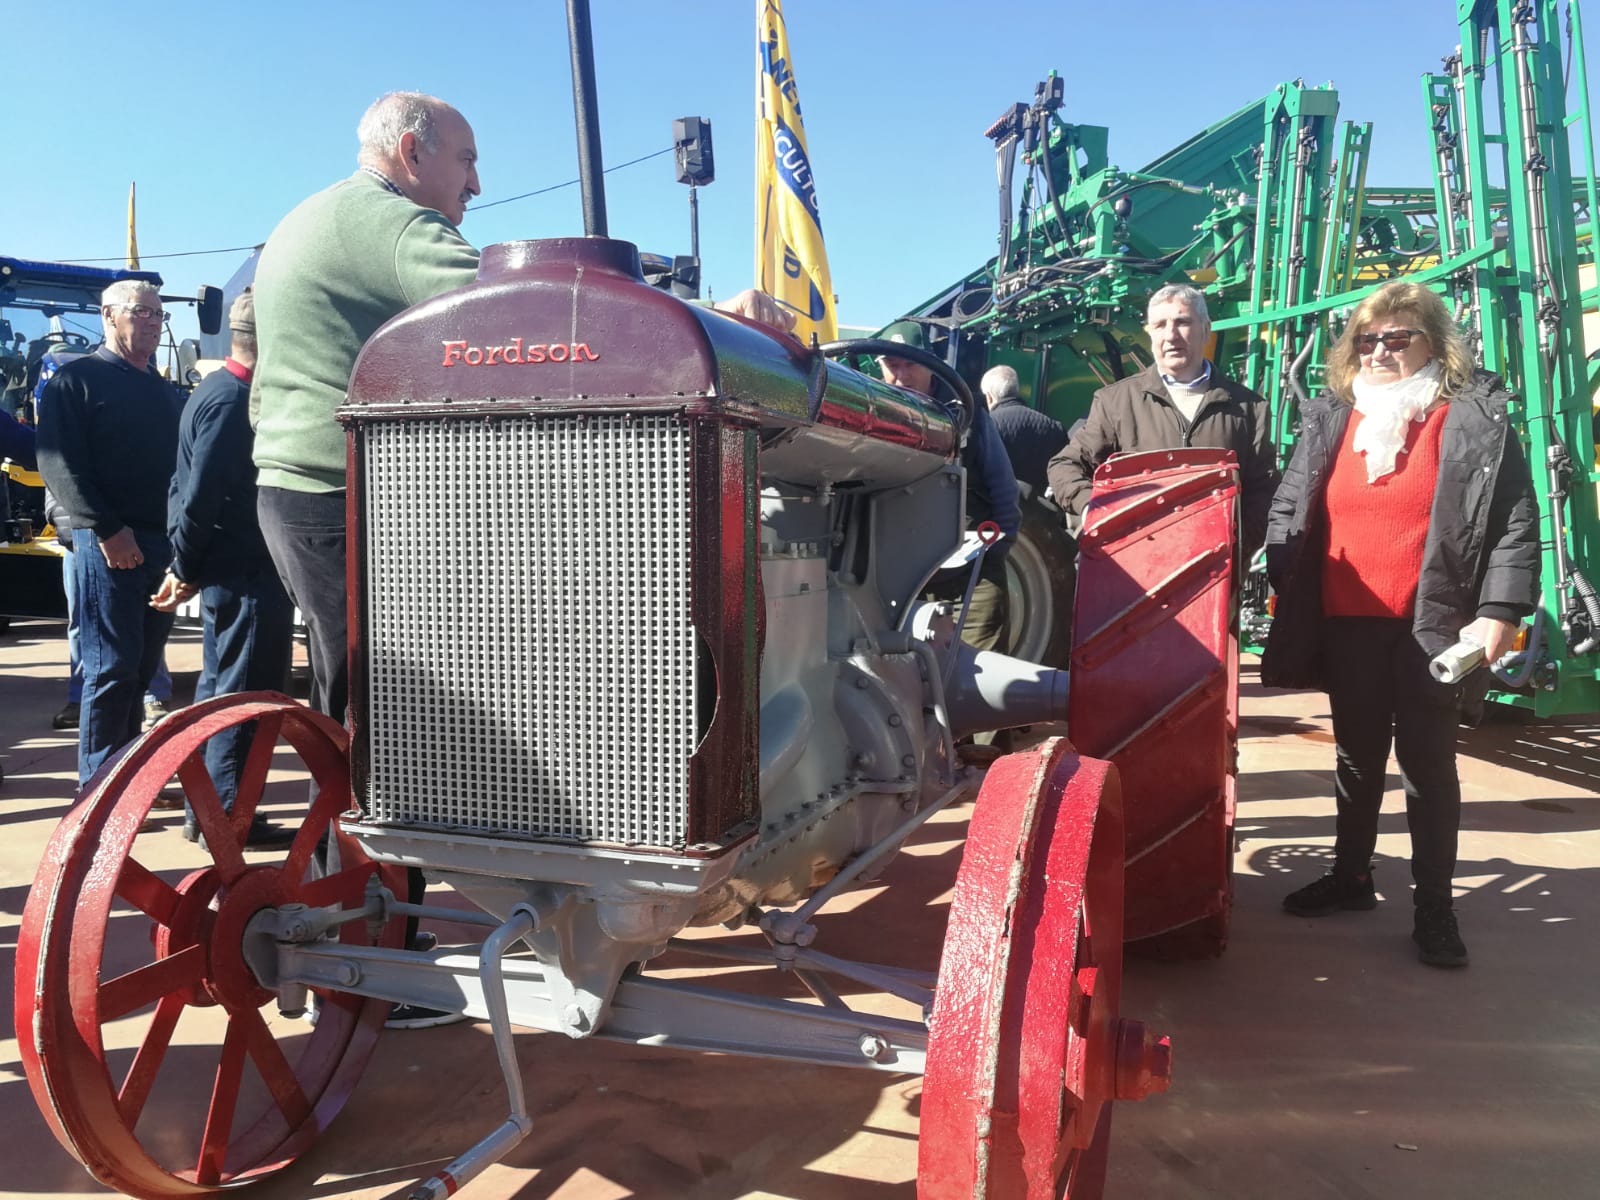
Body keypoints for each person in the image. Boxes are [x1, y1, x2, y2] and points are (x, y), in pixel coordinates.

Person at [253, 91, 790, 1029]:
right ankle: (375, 944)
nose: (477, 183)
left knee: (372, 706)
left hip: (313, 488)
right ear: (412, 151)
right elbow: (510, 307)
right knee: (390, 718)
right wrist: (711, 318)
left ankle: (387, 918)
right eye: (465, 160)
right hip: (343, 492)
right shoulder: (387, 224)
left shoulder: (315, 214)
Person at [1260, 281, 1538, 968]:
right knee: (1355, 756)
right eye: (1365, 338)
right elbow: (1290, 504)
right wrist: (1283, 578)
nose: (1378, 350)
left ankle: (1434, 910)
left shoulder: (1470, 419)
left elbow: (1513, 523)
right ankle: (1352, 877)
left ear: (1433, 344)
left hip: (1431, 625)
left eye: (1395, 337)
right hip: (1346, 620)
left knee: (1427, 769)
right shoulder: (1333, 417)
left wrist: (1500, 612)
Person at [152, 289, 295, 849]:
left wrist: (185, 560)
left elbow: (179, 485)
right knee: (243, 698)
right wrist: (185, 563)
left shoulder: (210, 389)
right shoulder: (235, 401)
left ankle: (206, 808)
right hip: (246, 573)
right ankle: (228, 819)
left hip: (228, 570)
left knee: (218, 691)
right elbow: (202, 493)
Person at [36, 280, 179, 787]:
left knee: (140, 672)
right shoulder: (75, 383)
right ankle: (96, 789)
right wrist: (108, 530)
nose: (152, 324)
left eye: (158, 315)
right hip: (107, 545)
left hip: (159, 546)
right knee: (109, 669)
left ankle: (129, 779)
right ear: (108, 315)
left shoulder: (166, 393)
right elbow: (60, 466)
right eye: (140, 312)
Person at [1045, 283, 1277, 556]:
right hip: (1137, 568)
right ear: (1150, 333)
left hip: (1217, 572)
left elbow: (1265, 489)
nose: (1171, 335)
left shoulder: (1249, 408)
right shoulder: (1115, 402)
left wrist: (1237, 544)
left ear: (1206, 329)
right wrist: (1091, 508)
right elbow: (1064, 466)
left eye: (1183, 322)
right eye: (1160, 325)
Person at [878, 320, 1020, 653]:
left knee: (976, 670)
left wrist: (996, 549)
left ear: (929, 365)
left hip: (969, 575)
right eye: (891, 365)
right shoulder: (875, 412)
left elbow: (1003, 486)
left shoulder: (967, 412)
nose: (900, 374)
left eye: (909, 364)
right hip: (901, 577)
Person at [980, 363, 1066, 499]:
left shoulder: (986, 427)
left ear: (989, 397)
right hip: (1043, 514)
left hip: (1000, 511)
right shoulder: (1053, 427)